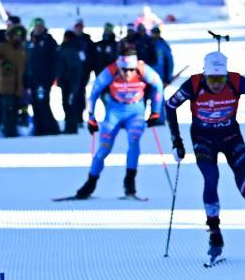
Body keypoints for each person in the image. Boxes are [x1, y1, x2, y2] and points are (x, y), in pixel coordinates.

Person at [166, 50, 245, 260]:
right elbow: (170, 105)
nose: (217, 84)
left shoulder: (236, 81)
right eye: (212, 79)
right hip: (203, 139)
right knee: (211, 178)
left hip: (231, 138)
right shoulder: (194, 84)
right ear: (205, 75)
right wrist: (177, 141)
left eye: (220, 79)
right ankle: (215, 234)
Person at [69, 42, 165, 200]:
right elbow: (94, 92)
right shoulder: (111, 70)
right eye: (124, 70)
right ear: (119, 66)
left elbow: (158, 85)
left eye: (131, 69)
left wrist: (155, 112)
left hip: (135, 113)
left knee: (134, 141)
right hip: (114, 112)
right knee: (104, 149)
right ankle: (90, 184)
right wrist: (91, 118)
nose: (128, 73)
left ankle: (130, 184)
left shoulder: (142, 69)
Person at [25, 18, 61, 136]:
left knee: (43, 103)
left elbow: (55, 61)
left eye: (40, 26)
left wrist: (52, 77)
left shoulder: (49, 41)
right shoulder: (30, 42)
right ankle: (39, 128)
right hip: (32, 79)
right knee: (34, 104)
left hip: (44, 79)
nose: (38, 28)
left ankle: (51, 128)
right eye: (36, 26)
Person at [0, 25, 26, 137]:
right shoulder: (3, 46)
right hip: (6, 84)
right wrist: (2, 63)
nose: (17, 37)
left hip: (19, 85)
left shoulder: (22, 48)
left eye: (20, 35)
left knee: (15, 109)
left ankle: (13, 130)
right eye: (15, 35)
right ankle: (7, 131)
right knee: (7, 108)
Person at [57, 30, 89, 133]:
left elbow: (74, 68)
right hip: (66, 81)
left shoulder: (71, 50)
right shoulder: (65, 48)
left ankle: (71, 127)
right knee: (67, 103)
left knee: (70, 103)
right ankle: (70, 125)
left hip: (70, 82)